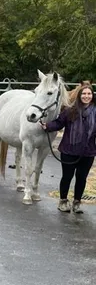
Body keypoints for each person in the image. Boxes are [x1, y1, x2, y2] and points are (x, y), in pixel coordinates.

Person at [42, 84, 96, 214]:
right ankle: (63, 201)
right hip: (69, 150)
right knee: (67, 176)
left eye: (89, 94)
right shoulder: (70, 111)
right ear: (79, 95)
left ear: (92, 95)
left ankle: (77, 202)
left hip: (87, 152)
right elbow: (59, 123)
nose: (86, 96)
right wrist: (47, 126)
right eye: (84, 94)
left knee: (82, 178)